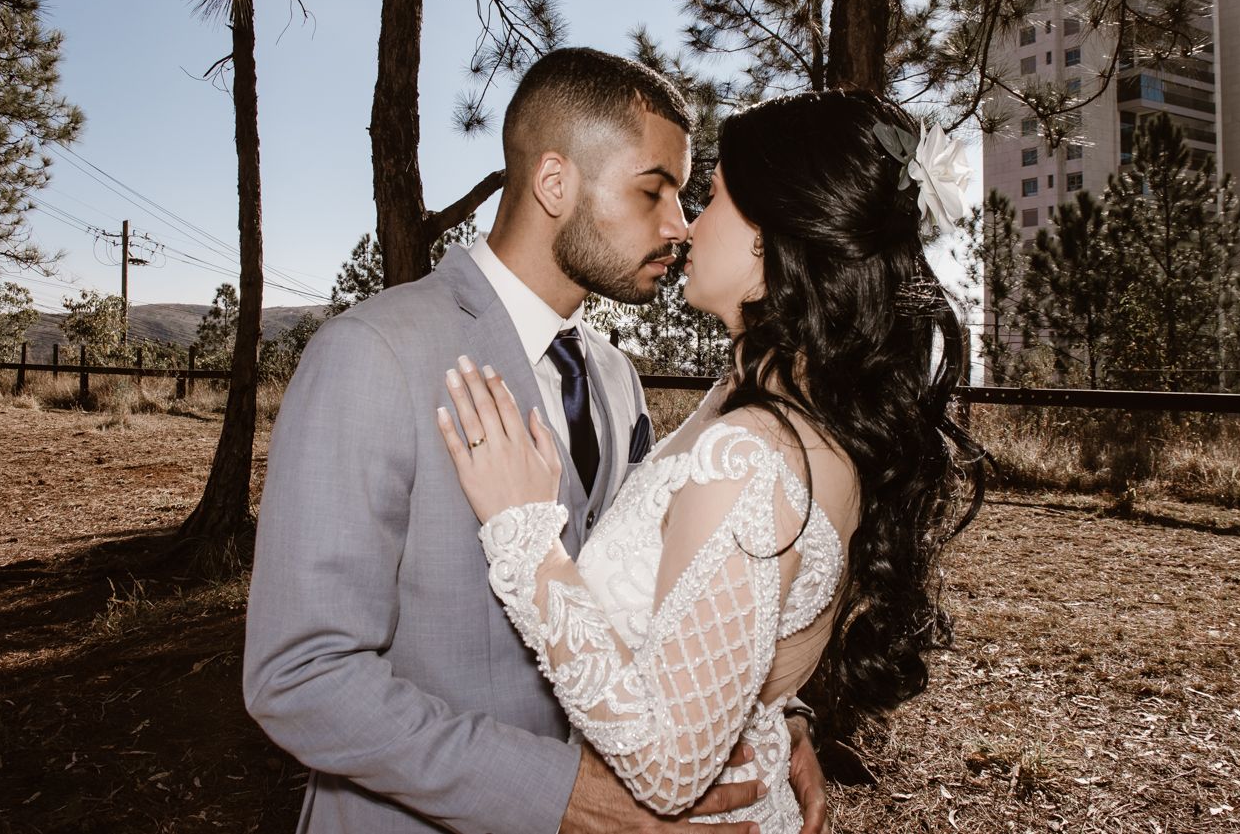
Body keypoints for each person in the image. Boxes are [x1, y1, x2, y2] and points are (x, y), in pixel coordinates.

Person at [243, 47, 828, 834]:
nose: (679, 225)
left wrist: (774, 710)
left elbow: (662, 595)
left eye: (686, 197)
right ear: (556, 183)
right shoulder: (372, 354)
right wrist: (554, 792)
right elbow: (299, 674)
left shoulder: (618, 380)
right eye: (654, 189)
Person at [436, 88, 986, 832]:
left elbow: (669, 769)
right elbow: (742, 629)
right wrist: (778, 714)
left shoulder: (751, 454)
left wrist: (527, 537)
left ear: (772, 237)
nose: (688, 225)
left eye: (715, 196)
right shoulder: (789, 411)